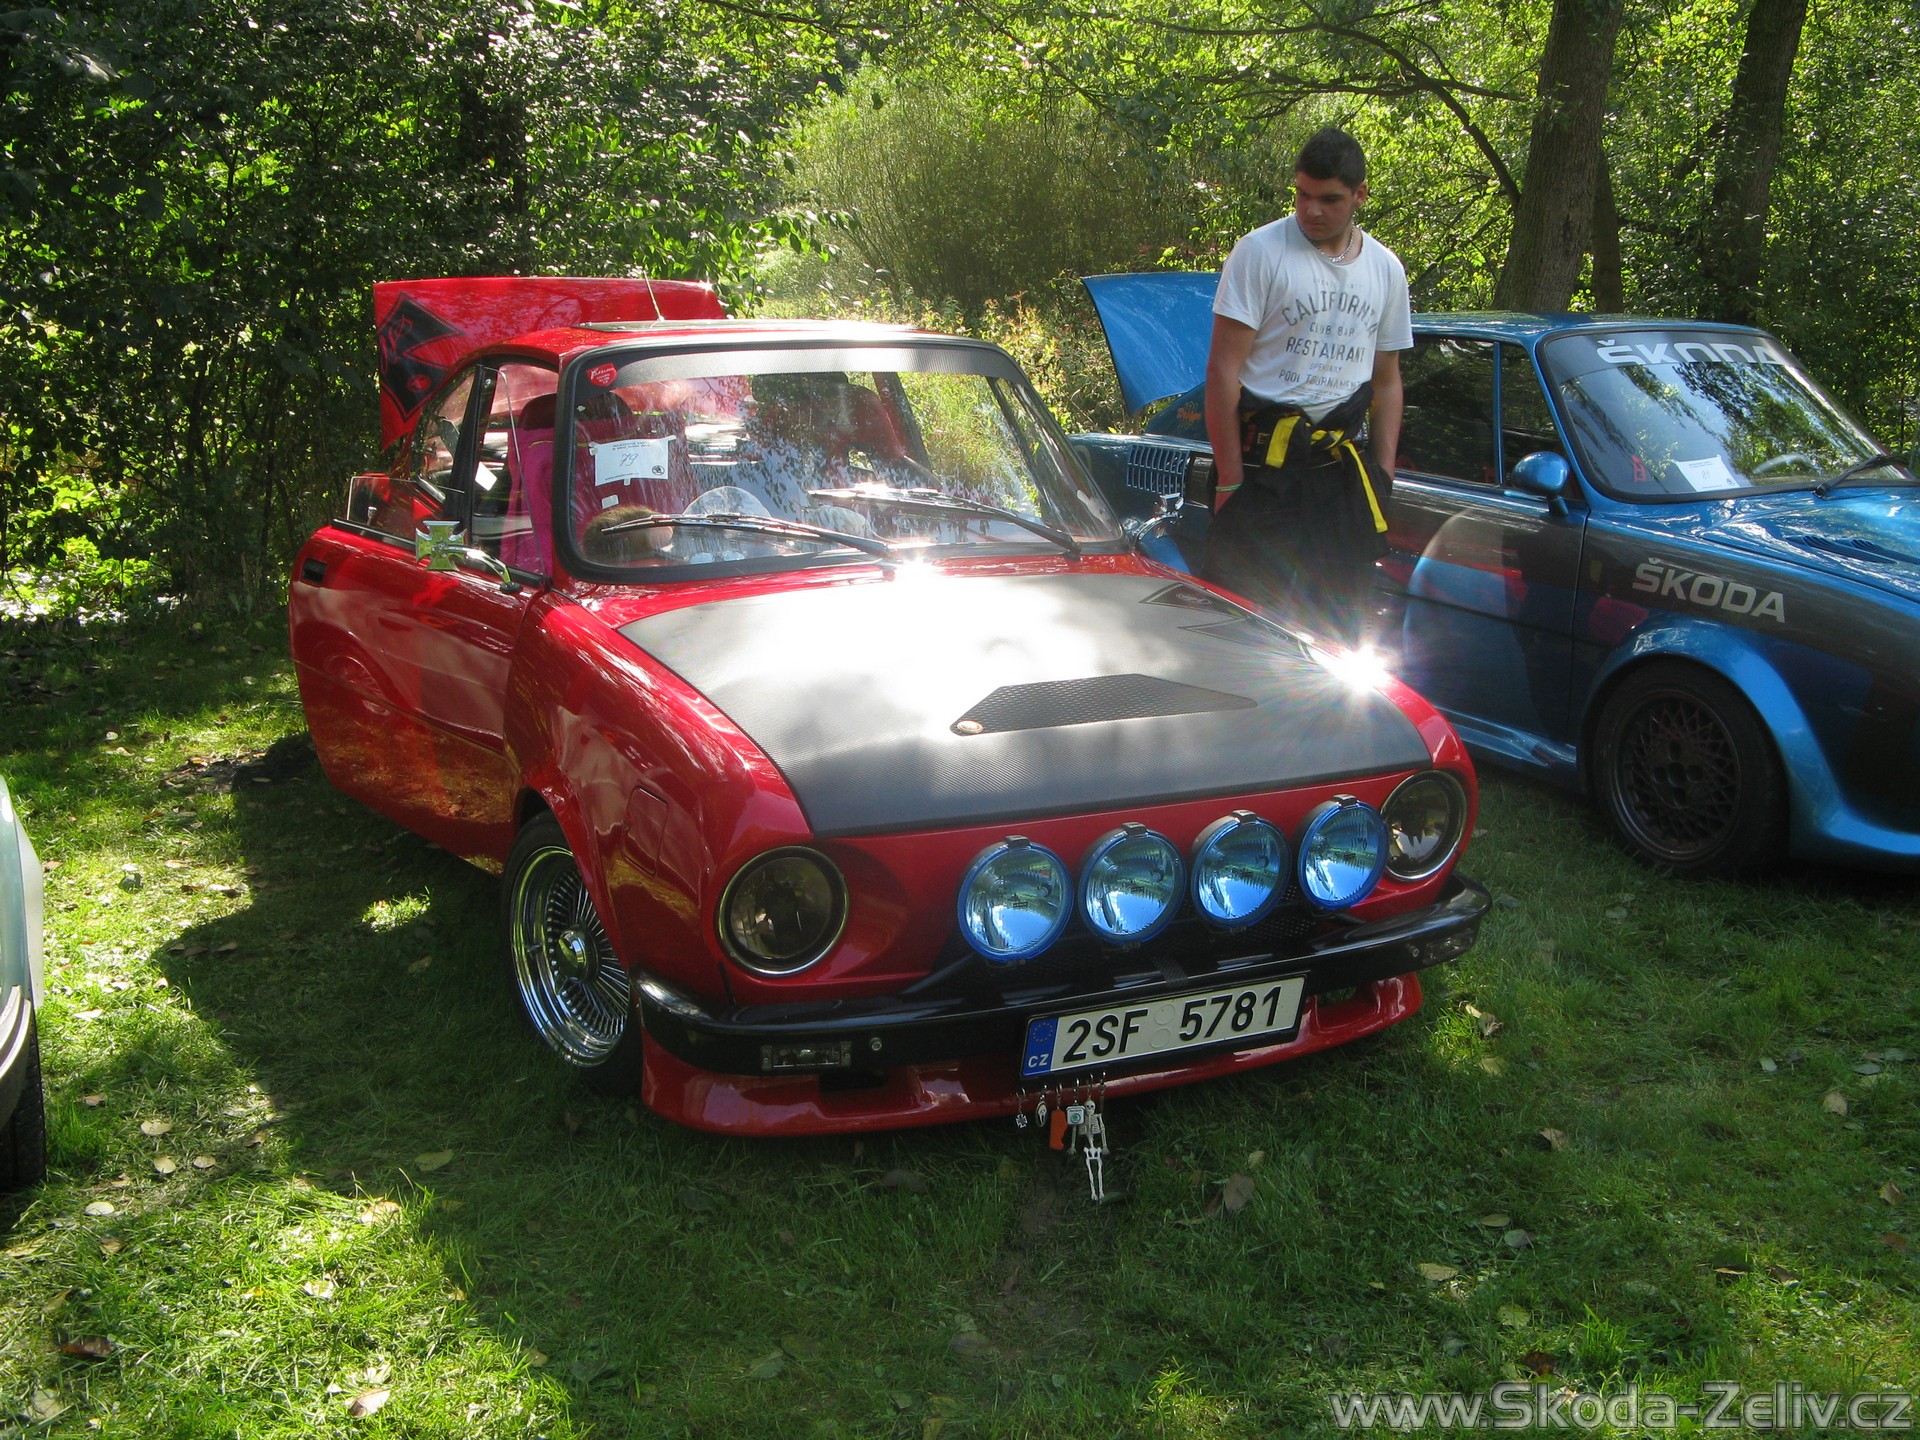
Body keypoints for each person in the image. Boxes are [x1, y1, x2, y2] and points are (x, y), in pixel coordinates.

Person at [1201, 126, 1411, 646]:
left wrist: (1383, 474)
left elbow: (1387, 382)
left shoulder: (1385, 270)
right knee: (1238, 629)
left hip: (1338, 474)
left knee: (1338, 635)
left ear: (1360, 195)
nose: (1311, 210)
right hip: (1262, 470)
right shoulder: (1260, 252)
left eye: (1329, 199)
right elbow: (1223, 371)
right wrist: (1229, 478)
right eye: (1302, 194)